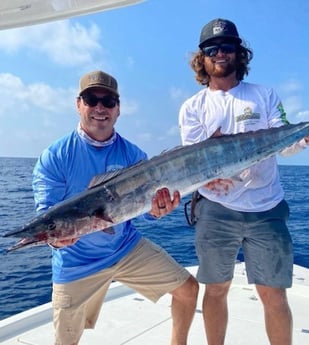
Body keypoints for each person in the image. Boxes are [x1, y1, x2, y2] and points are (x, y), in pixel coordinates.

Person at [32, 70, 199, 345]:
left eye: (108, 101)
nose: (100, 107)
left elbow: (149, 211)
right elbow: (48, 215)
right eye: (91, 99)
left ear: (118, 109)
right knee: (65, 341)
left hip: (124, 247)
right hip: (75, 262)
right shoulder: (55, 156)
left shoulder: (134, 156)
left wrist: (158, 211)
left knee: (188, 289)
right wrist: (57, 241)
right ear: (78, 105)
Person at [178, 18, 309, 345]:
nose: (220, 54)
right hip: (216, 210)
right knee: (216, 288)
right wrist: (208, 184)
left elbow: (286, 140)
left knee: (273, 295)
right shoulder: (192, 108)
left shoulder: (264, 95)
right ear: (202, 57)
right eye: (212, 49)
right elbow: (194, 163)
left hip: (267, 208)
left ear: (239, 53)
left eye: (228, 47)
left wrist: (303, 139)